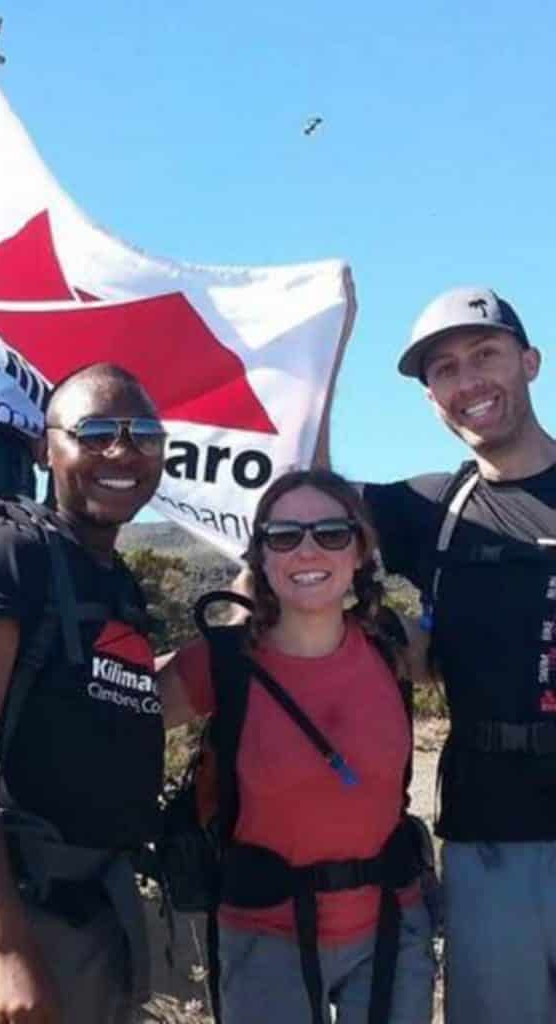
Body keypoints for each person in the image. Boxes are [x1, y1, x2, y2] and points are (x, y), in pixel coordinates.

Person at [0, 362, 167, 1024]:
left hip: (95, 910)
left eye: (143, 431)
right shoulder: (7, 549)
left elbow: (116, 700)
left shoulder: (112, 580)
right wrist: (6, 947)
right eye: (94, 431)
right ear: (43, 447)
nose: (122, 450)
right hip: (25, 911)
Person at [157, 469, 435, 1024]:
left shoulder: (394, 646)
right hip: (264, 937)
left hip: (391, 929)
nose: (308, 549)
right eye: (284, 536)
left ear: (360, 551)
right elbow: (108, 721)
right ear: (260, 556)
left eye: (332, 532)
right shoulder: (221, 663)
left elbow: (497, 657)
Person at [352, 286, 556, 1022]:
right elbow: (298, 499)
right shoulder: (426, 509)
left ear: (530, 362)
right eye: (443, 370)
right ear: (431, 397)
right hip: (488, 839)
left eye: (485, 355)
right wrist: (322, 347)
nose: (467, 382)